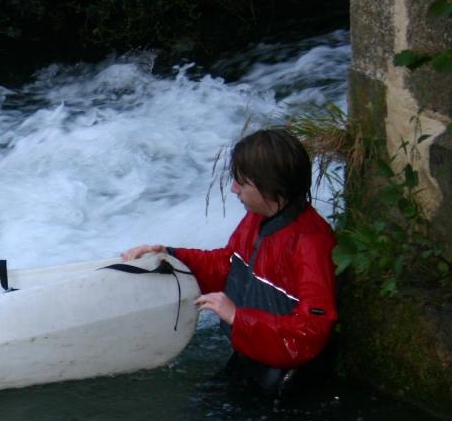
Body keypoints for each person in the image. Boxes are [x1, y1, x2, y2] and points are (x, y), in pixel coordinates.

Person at [122, 128, 338, 392]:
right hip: (252, 356)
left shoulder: (311, 244)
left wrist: (238, 317)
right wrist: (169, 256)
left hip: (286, 380)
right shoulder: (258, 218)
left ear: (272, 188)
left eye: (242, 183)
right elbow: (227, 265)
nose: (234, 189)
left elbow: (312, 331)